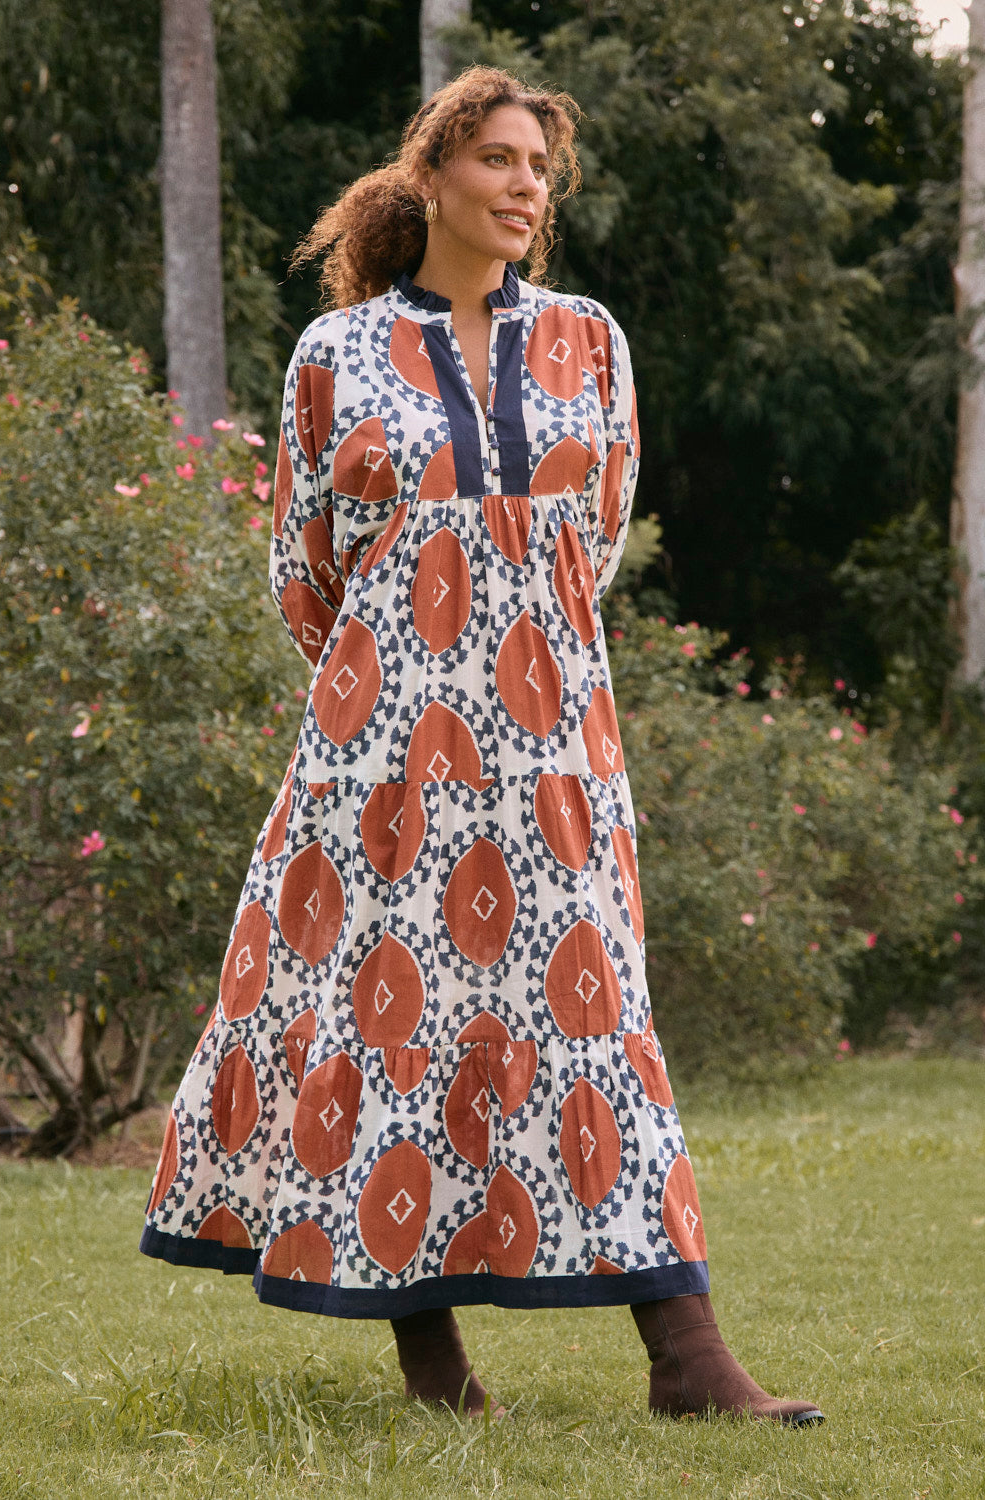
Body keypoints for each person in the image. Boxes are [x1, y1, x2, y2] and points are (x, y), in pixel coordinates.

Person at [140, 64, 823, 1428]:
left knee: (595, 1027)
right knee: (400, 1027)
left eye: (540, 171)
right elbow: (308, 570)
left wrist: (514, 669)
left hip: (554, 750)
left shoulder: (590, 340)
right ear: (435, 173)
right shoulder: (334, 356)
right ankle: (433, 1367)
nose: (527, 188)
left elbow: (596, 540)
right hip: (382, 756)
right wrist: (408, 678)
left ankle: (688, 1361)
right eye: (502, 161)